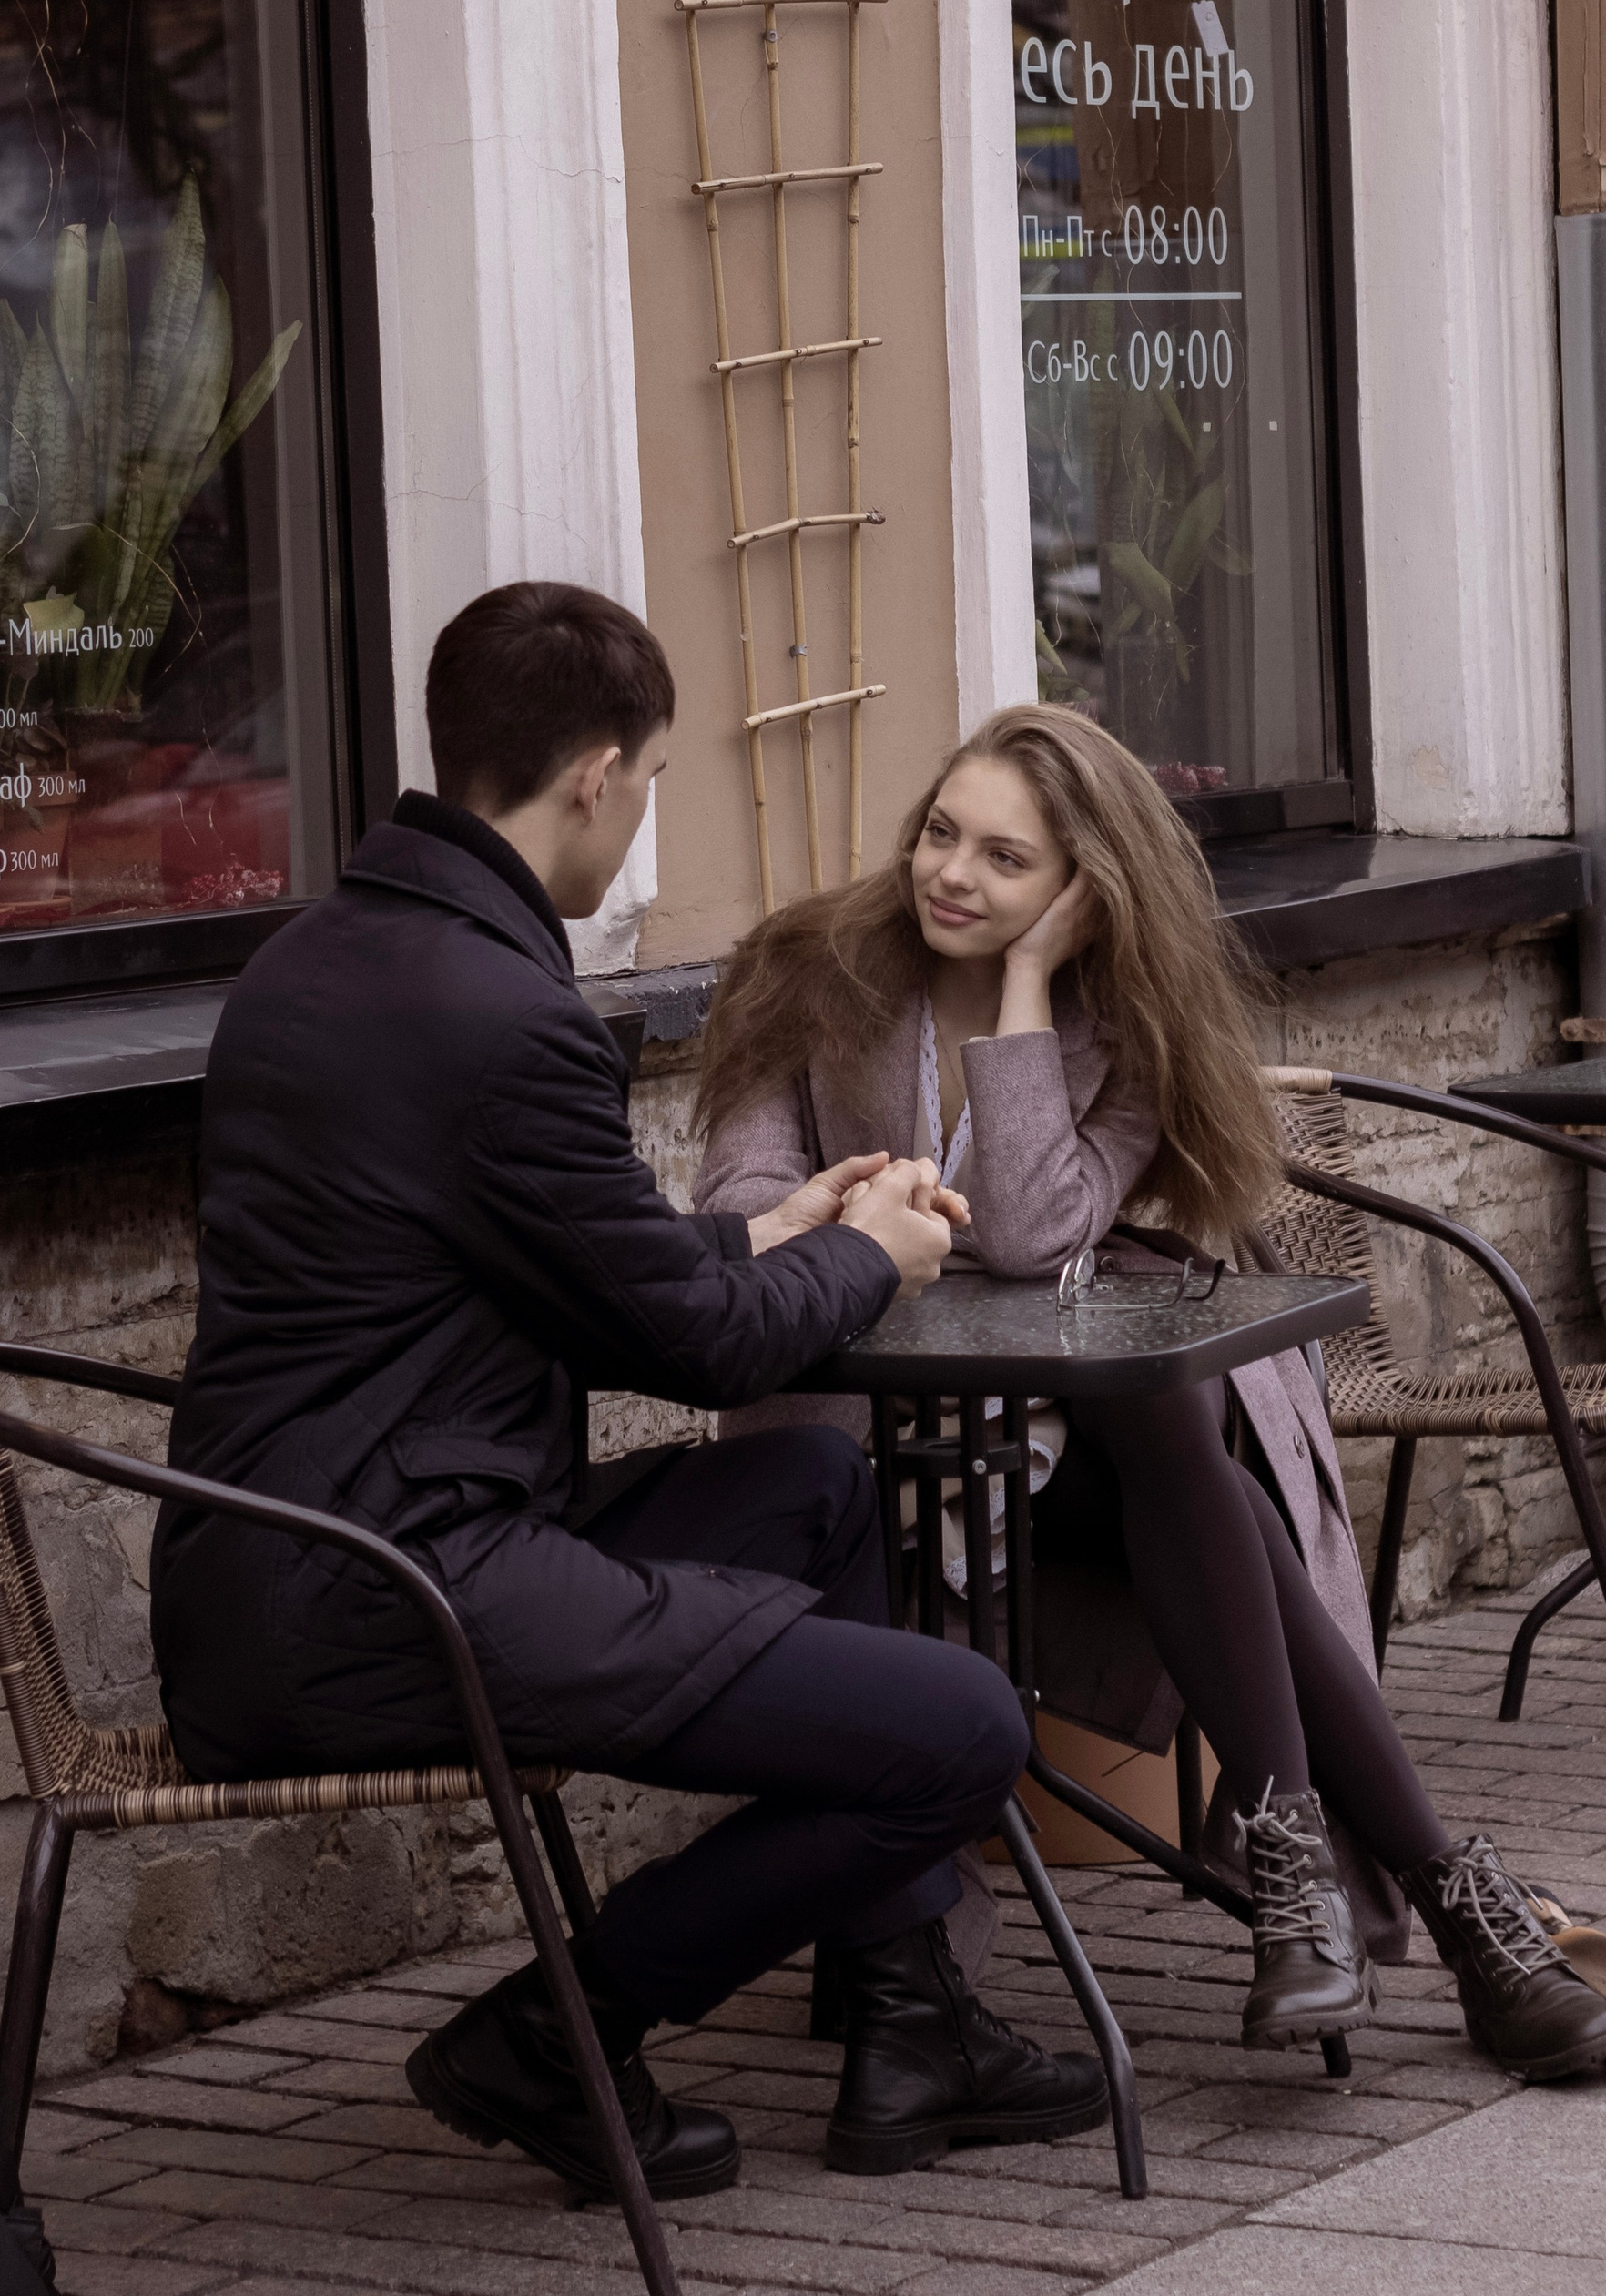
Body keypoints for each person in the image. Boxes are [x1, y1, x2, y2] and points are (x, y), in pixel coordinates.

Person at [149, 584, 1110, 2200]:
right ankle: (557, 2031)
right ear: (596, 775)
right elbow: (696, 1349)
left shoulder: (316, 959)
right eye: (653, 777)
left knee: (816, 1491)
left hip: (279, 1565)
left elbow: (558, 1269)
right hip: (391, 1593)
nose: (641, 807)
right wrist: (870, 1254)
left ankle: (905, 2016)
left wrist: (774, 1228)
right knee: (963, 1728)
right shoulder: (506, 1012)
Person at [693, 702, 1606, 2083]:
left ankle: (1331, 1878)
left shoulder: (1117, 1028)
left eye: (1007, 861)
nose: (952, 875)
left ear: (1080, 895)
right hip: (851, 1474)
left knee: (1166, 1406)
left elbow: (1026, 1228)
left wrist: (1022, 997)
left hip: (1028, 1466)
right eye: (941, 835)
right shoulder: (806, 973)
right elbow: (741, 1207)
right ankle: (1437, 1902)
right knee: (1221, 1492)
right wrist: (856, 1216)